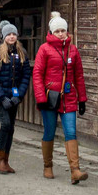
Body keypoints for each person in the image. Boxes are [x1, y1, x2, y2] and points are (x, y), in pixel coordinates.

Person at [33, 12, 89, 183]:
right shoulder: (44, 49)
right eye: (57, 31)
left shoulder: (73, 50)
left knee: (71, 132)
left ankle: (75, 170)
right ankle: (48, 165)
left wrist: (82, 99)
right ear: (51, 32)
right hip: (50, 98)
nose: (60, 33)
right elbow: (37, 74)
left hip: (69, 97)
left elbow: (79, 75)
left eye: (63, 30)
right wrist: (41, 97)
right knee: (49, 132)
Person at [0, 20, 31, 174]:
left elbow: (26, 76)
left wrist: (18, 95)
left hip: (14, 97)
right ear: (4, 36)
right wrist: (1, 96)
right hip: (0, 97)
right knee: (5, 124)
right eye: (9, 34)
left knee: (11, 128)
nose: (12, 37)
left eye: (14, 34)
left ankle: (5, 160)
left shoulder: (21, 52)